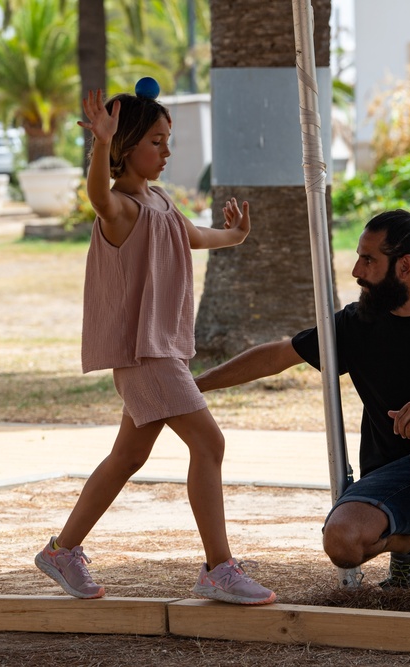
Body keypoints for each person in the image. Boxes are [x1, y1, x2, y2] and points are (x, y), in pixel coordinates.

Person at [194, 205, 410, 615]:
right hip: (391, 479)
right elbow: (276, 355)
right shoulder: (356, 323)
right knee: (341, 544)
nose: (355, 271)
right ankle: (409, 542)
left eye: (368, 260)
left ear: (405, 265)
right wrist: (194, 383)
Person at [34, 84, 275, 605]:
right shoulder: (119, 207)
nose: (167, 152)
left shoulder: (159, 200)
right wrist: (100, 144)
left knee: (127, 457)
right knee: (210, 443)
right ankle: (218, 568)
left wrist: (233, 237)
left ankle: (62, 550)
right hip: (146, 354)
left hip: (164, 348)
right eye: (157, 142)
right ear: (125, 146)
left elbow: (189, 235)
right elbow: (97, 195)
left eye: (169, 141)